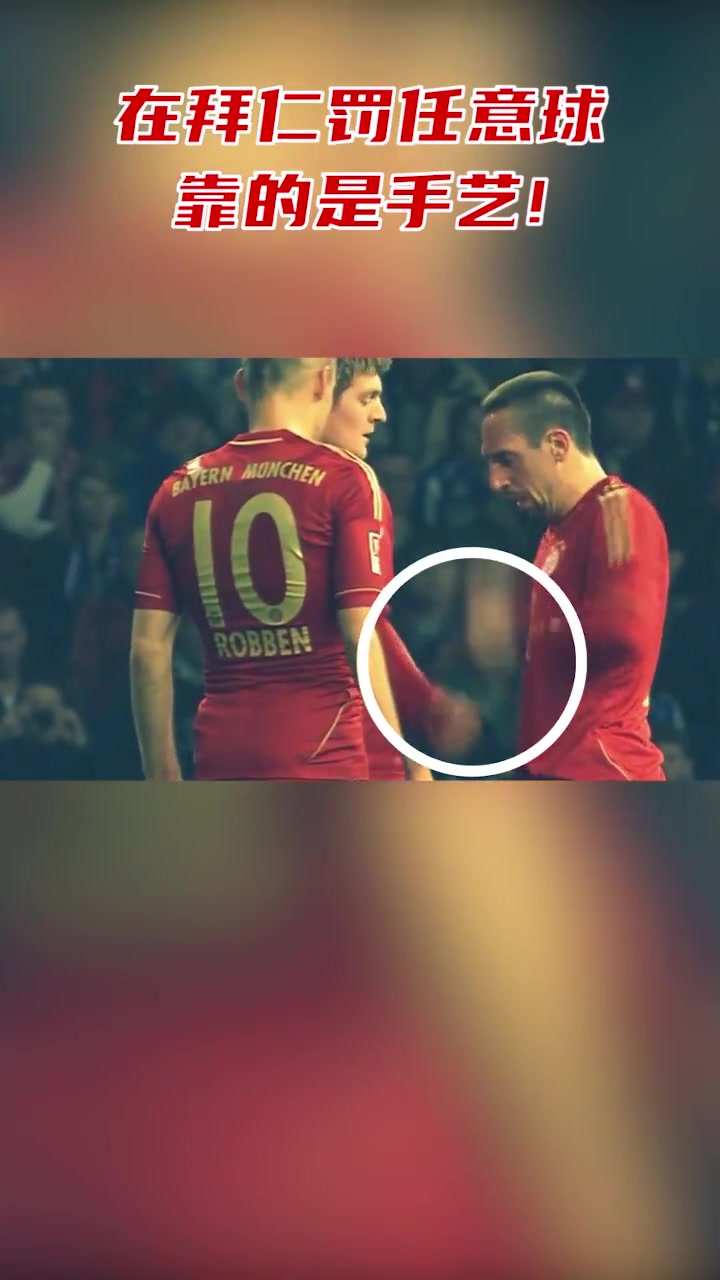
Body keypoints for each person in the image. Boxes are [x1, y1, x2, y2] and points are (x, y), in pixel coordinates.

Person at [130, 357, 407, 781]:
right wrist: (410, 763)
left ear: (242, 385)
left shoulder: (176, 489)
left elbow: (147, 649)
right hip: (321, 753)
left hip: (219, 752)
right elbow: (360, 632)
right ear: (325, 380)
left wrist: (161, 773)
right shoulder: (346, 480)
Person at [479, 371, 669, 781]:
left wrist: (508, 626)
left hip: (605, 769)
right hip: (549, 768)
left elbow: (625, 638)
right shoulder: (554, 533)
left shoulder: (618, 510)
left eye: (507, 460)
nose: (495, 482)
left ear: (557, 445)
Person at [322, 359, 482, 780]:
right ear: (321, 392)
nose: (381, 414)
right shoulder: (352, 487)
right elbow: (362, 626)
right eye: (367, 399)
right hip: (349, 741)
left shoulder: (220, 480)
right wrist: (424, 709)